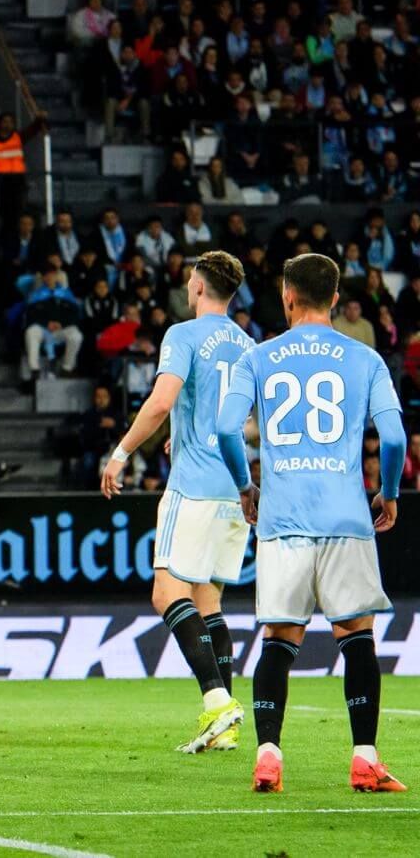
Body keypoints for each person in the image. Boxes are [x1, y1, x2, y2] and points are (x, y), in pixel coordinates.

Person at [217, 252, 407, 794]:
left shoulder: (258, 357)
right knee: (357, 637)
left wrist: (245, 488)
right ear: (335, 296)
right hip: (347, 519)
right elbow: (393, 438)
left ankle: (269, 758)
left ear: (287, 295)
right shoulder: (365, 358)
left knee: (279, 638)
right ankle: (365, 760)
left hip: (283, 521)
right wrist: (388, 493)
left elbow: (228, 430)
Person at [100, 251, 251, 753]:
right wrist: (188, 430)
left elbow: (161, 400)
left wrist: (121, 453)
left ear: (200, 287)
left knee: (166, 594)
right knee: (208, 602)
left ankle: (218, 704)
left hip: (193, 487)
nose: (187, 286)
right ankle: (224, 727)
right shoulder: (248, 345)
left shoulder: (183, 335)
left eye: (190, 279)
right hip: (235, 487)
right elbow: (245, 423)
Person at [0, 110, 48, 238]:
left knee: (16, 216)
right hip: (0, 182)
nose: (7, 125)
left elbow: (32, 131)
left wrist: (39, 119)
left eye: (10, 122)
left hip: (17, 182)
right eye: (5, 122)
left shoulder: (18, 138)